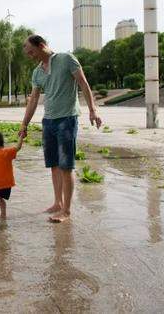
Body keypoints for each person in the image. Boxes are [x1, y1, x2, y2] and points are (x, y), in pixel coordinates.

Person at [19, 35, 102, 223]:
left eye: (31, 51)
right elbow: (33, 99)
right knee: (54, 165)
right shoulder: (37, 72)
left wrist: (92, 110)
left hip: (67, 119)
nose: (30, 56)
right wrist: (24, 124)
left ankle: (66, 210)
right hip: (48, 121)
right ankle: (57, 202)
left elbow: (83, 83)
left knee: (66, 165)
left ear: (41, 46)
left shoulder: (66, 59)